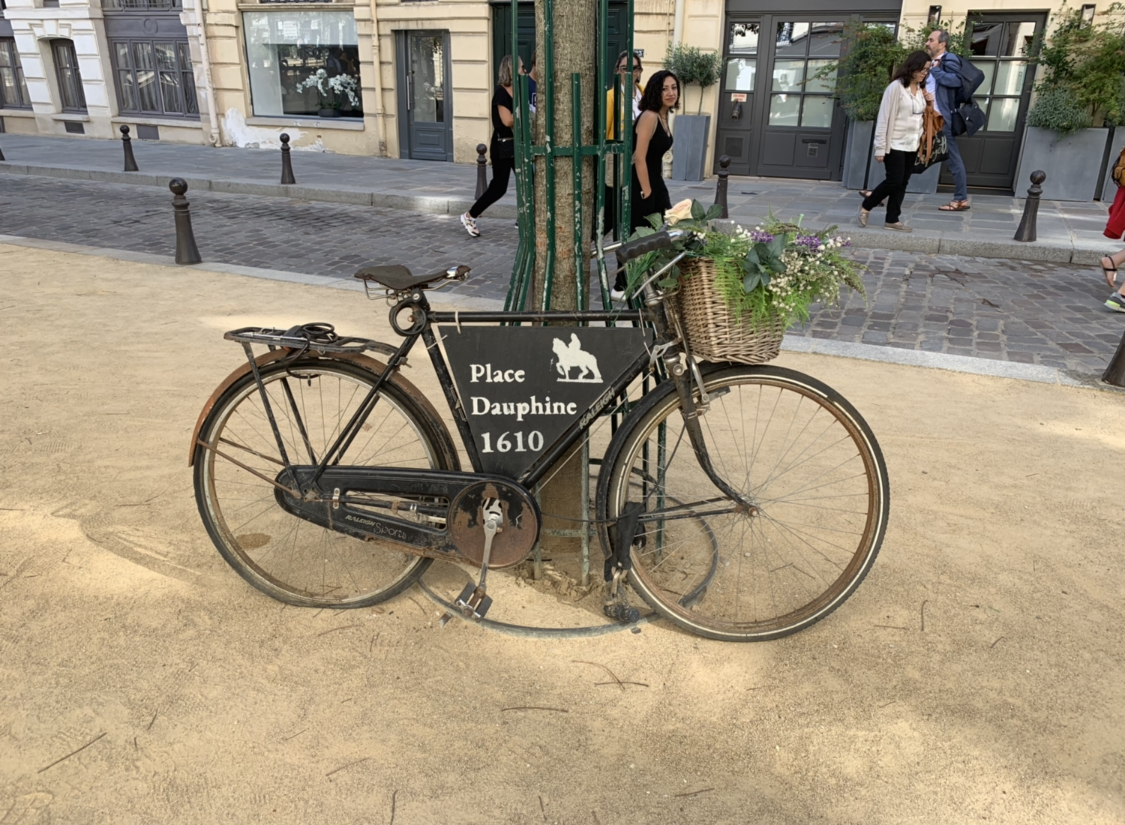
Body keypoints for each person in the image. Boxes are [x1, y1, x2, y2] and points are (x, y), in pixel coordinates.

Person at [615, 69, 678, 300]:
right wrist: (647, 190)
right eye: (664, 88)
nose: (671, 92)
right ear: (655, 91)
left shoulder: (664, 115)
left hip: (655, 180)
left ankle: (644, 279)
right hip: (642, 182)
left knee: (658, 231)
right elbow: (639, 157)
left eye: (673, 87)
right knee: (636, 233)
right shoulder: (650, 116)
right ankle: (620, 287)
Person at [858, 51, 934, 233]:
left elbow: (923, 117)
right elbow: (884, 117)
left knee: (903, 182)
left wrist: (930, 103)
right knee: (894, 180)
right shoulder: (896, 87)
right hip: (895, 142)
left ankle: (892, 219)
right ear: (913, 67)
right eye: (922, 69)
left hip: (912, 143)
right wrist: (880, 147)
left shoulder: (921, 90)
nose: (924, 73)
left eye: (927, 70)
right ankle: (867, 205)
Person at [600, 51, 644, 291]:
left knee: (631, 223)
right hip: (617, 166)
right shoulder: (611, 97)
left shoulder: (645, 94)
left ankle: (624, 279)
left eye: (635, 68)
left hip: (640, 166)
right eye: (625, 68)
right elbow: (605, 136)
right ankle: (590, 247)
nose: (631, 72)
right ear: (617, 71)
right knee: (614, 221)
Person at [461, 55, 516, 238]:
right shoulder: (501, 92)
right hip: (503, 145)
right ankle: (470, 215)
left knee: (530, 182)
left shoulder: (520, 91)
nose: (523, 70)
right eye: (521, 67)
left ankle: (525, 218)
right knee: (499, 187)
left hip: (517, 144)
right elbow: (507, 120)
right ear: (510, 69)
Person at [926, 29, 970, 212]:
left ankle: (961, 199)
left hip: (941, 119)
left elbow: (956, 81)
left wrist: (935, 71)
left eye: (931, 40)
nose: (927, 43)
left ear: (942, 44)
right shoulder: (932, 62)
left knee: (953, 159)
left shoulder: (949, 59)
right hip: (927, 117)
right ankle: (882, 193)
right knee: (906, 155)